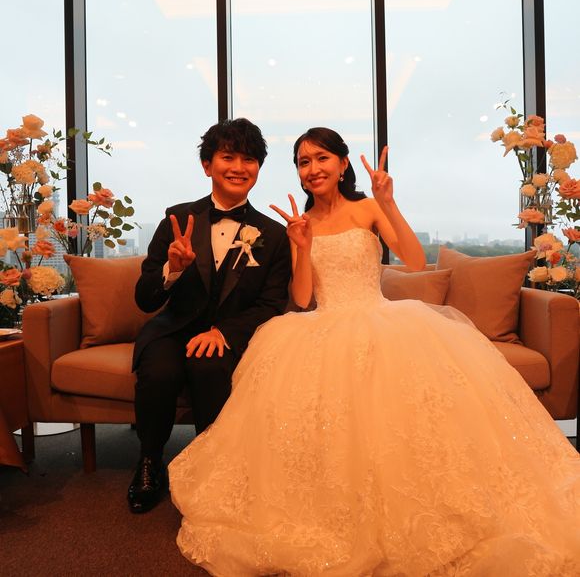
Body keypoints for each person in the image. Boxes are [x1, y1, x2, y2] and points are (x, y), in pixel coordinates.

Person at [169, 127, 580, 575]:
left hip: (381, 321)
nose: (313, 169)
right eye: (304, 162)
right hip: (321, 326)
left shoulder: (368, 209)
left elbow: (415, 261)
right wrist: (302, 246)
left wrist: (388, 202)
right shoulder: (300, 223)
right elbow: (303, 298)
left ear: (342, 164)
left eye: (322, 158)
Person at [128, 118, 292, 514]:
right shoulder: (177, 219)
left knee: (210, 367)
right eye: (228, 157)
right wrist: (172, 270)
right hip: (173, 329)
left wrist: (224, 332)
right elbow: (145, 299)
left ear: (258, 168)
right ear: (207, 166)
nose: (239, 167)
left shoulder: (273, 235)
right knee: (159, 371)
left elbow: (271, 304)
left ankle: (213, 463)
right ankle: (150, 460)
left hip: (228, 335)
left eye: (249, 159)